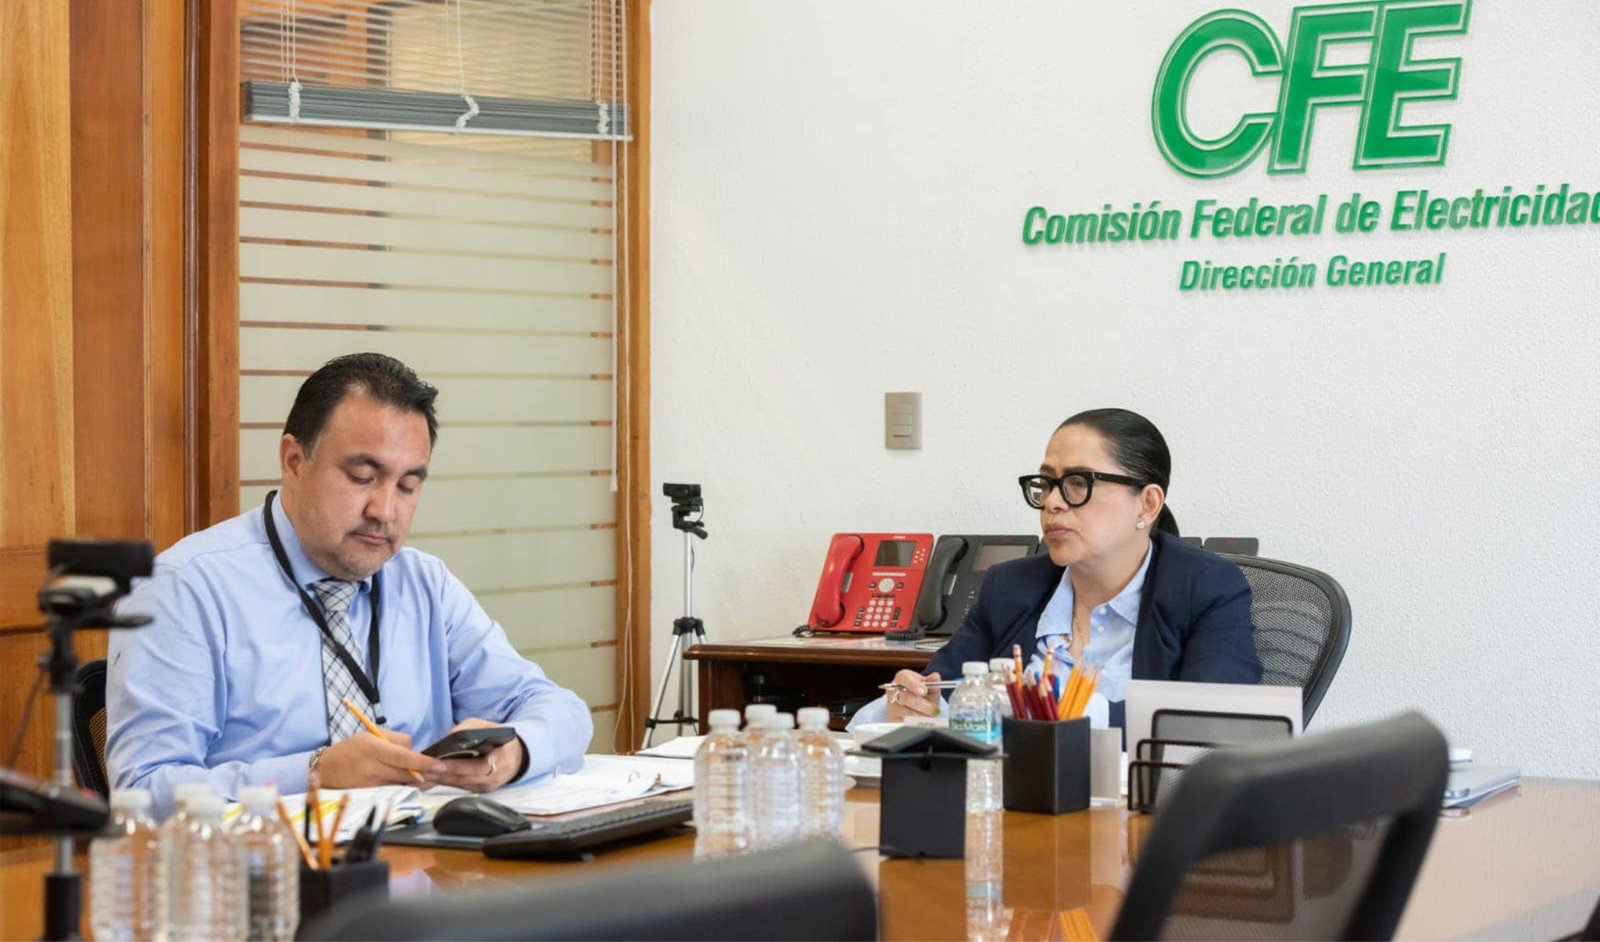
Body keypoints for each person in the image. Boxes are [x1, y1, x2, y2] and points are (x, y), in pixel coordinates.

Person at [107, 353, 592, 814]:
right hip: (262, 864)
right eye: (362, 477)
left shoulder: (424, 584)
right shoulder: (185, 588)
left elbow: (559, 710)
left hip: (421, 859)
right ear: (294, 461)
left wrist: (515, 753)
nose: (385, 510)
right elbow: (142, 789)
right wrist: (314, 773)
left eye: (408, 486)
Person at [855, 407, 1261, 732]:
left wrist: (1054, 715)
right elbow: (937, 693)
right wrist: (911, 705)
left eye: (1078, 483)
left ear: (1147, 504)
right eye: (1047, 483)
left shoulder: (1206, 588)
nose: (1052, 502)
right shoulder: (1009, 587)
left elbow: (1210, 725)